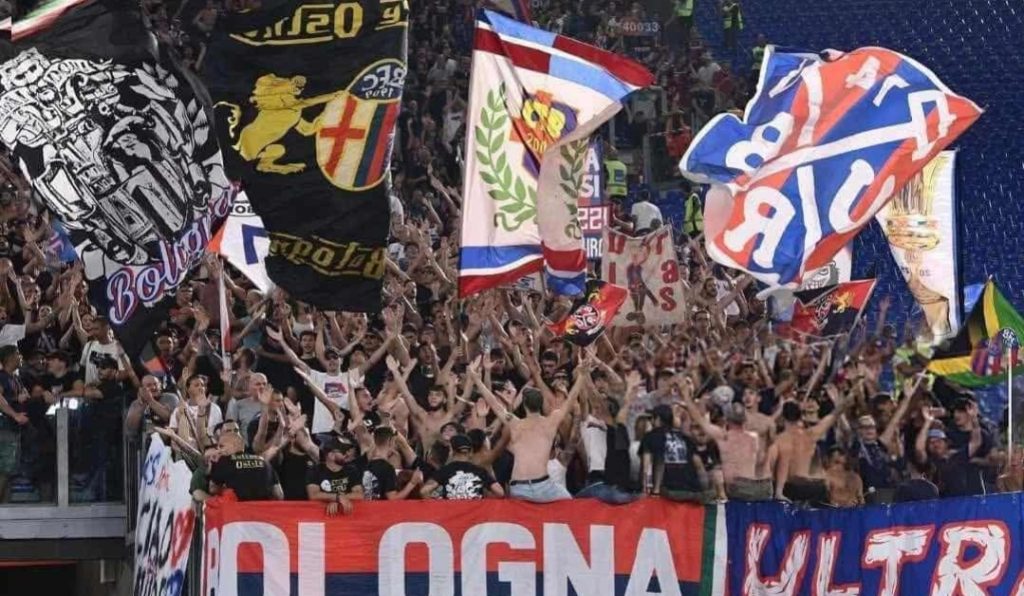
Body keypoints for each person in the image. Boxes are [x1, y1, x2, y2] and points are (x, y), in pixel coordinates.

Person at [468, 358, 581, 503]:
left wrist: (477, 380)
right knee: (573, 504)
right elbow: (571, 399)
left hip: (518, 488)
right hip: (544, 487)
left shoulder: (515, 423)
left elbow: (494, 404)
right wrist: (582, 376)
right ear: (541, 404)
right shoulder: (551, 422)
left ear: (525, 406)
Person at [640, 404, 707, 501]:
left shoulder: (650, 437)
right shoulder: (686, 438)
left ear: (657, 419)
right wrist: (703, 491)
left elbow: (646, 467)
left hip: (668, 492)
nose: (651, 421)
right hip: (692, 491)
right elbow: (699, 466)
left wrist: (647, 491)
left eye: (651, 418)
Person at [420, 433, 504, 499]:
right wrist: (482, 503)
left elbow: (424, 491)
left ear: (451, 451)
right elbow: (500, 493)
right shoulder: (480, 471)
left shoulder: (444, 470)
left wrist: (438, 506)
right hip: (475, 514)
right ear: (470, 451)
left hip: (452, 514)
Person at [208, 432, 283, 501]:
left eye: (221, 446)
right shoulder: (264, 462)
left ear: (234, 445)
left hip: (238, 509)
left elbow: (213, 490)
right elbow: (279, 495)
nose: (219, 450)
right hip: (263, 509)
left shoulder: (223, 461)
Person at [306, 436, 364, 516]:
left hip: (347, 516)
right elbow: (313, 495)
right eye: (343, 451)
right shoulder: (315, 471)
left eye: (348, 450)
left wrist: (338, 500)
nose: (347, 454)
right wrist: (337, 497)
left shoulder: (351, 470)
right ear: (331, 455)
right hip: (321, 515)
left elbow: (359, 494)